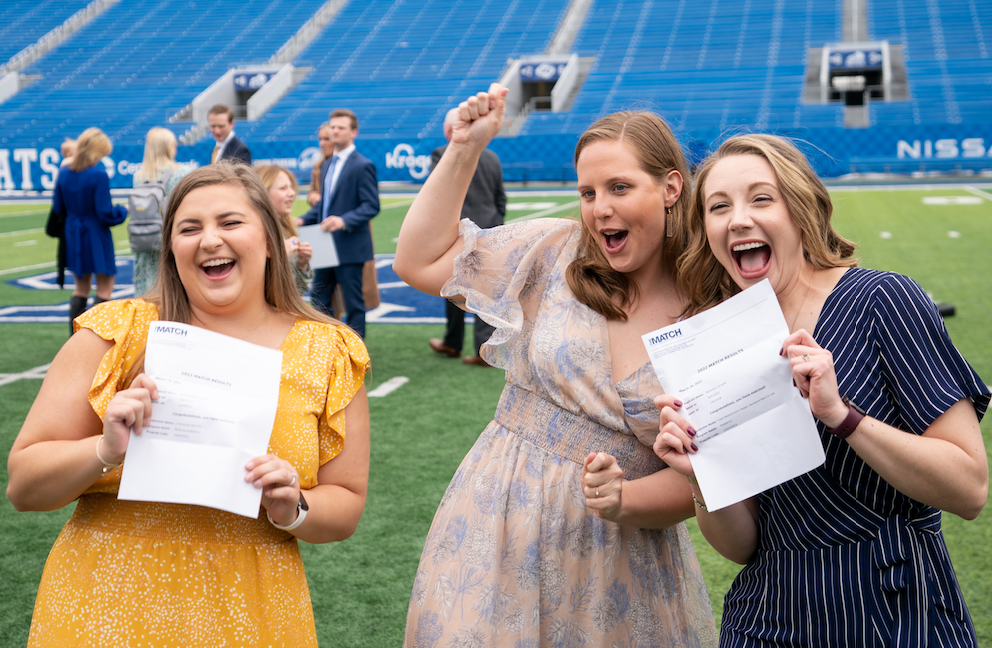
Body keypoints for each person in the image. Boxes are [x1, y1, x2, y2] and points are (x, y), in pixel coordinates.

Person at [394, 84, 717, 646]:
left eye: (620, 187)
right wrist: (465, 148)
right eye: (588, 192)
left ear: (671, 187)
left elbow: (706, 481)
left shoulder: (713, 309)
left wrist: (624, 500)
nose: (600, 209)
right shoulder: (555, 252)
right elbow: (417, 261)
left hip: (622, 557)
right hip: (498, 518)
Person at [7, 164, 371, 646]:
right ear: (171, 248)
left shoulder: (328, 350)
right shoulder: (115, 333)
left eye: (230, 222)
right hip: (105, 603)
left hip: (253, 605)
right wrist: (104, 449)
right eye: (189, 228)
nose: (209, 240)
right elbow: (24, 487)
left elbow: (345, 506)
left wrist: (293, 506)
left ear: (268, 239)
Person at [655, 134, 989, 647]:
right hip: (768, 616)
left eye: (761, 198)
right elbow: (743, 546)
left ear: (801, 210)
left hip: (894, 607)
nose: (738, 219)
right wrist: (701, 474)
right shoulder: (713, 341)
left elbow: (969, 490)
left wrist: (843, 416)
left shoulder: (883, 300)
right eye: (718, 207)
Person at [427, 108, 506, 367]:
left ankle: (453, 342)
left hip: (458, 233)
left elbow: (436, 199)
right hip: (489, 231)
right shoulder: (493, 157)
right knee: (484, 289)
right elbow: (500, 198)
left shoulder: (442, 155)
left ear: (450, 131)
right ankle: (484, 348)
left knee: (452, 288)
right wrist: (495, 227)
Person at [300, 110, 379, 338]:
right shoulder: (327, 165)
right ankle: (327, 350)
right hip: (324, 244)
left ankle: (355, 357)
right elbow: (326, 205)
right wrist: (303, 219)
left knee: (354, 305)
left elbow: (371, 206)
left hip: (349, 246)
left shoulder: (362, 165)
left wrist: (343, 221)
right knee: (319, 300)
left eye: (341, 128)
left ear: (353, 132)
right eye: (333, 127)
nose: (335, 131)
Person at [50, 127, 128, 333]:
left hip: (73, 233)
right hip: (95, 234)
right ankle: (96, 336)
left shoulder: (64, 173)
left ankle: (74, 337)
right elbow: (105, 213)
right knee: (104, 288)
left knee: (80, 289)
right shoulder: (98, 175)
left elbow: (58, 208)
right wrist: (123, 211)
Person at [131, 127, 190, 297]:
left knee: (147, 288)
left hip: (145, 236)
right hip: (170, 237)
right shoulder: (180, 172)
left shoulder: (139, 175)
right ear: (169, 146)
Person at [257, 164, 314, 295]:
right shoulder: (255, 234)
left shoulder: (286, 229)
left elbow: (297, 293)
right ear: (263, 192)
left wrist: (302, 265)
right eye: (283, 188)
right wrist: (279, 260)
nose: (292, 193)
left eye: (291, 187)